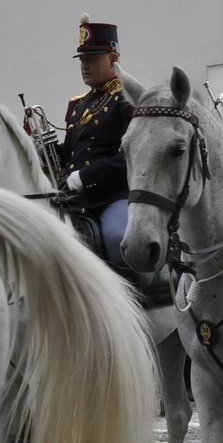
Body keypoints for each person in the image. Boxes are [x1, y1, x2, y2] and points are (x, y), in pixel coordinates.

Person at [58, 15, 133, 267]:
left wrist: (85, 176)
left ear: (113, 59)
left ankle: (138, 304)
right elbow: (72, 151)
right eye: (82, 60)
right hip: (75, 198)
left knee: (118, 238)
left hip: (113, 196)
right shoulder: (80, 104)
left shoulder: (127, 100)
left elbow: (129, 158)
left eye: (91, 59)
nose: (84, 66)